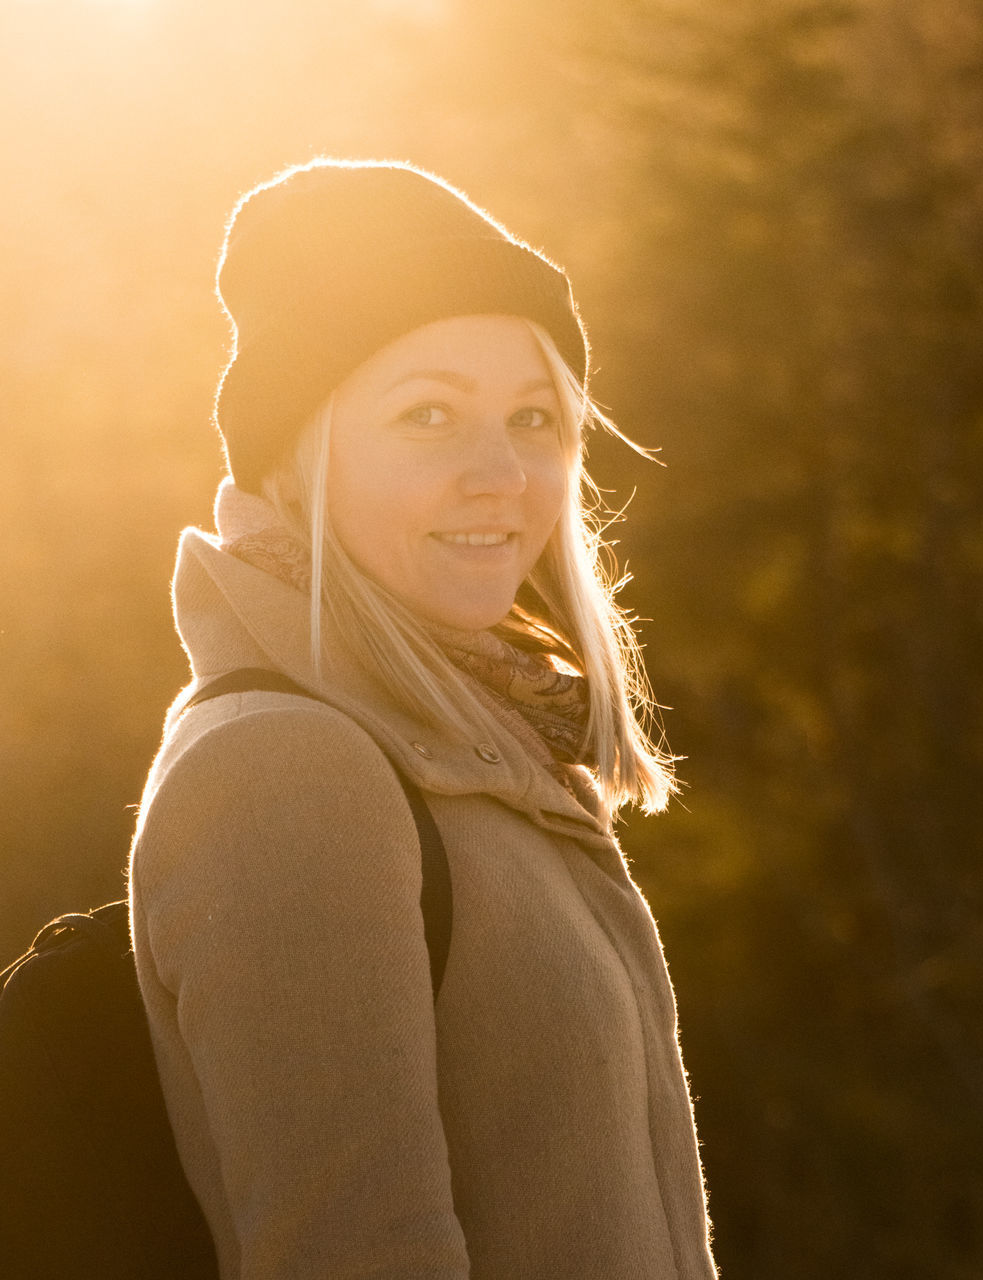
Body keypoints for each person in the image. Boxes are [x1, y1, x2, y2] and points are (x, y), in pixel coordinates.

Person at [129, 158, 718, 1280]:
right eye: (429, 414)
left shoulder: (483, 753)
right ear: (296, 461)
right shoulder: (283, 768)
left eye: (534, 417)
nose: (502, 472)